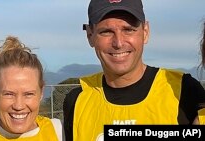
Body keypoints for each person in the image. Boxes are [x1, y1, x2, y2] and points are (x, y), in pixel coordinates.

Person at [63, 0, 205, 140]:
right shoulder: (76, 101)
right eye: (106, 32)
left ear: (145, 32)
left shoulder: (185, 91)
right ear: (90, 36)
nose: (118, 43)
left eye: (129, 30)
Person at [0, 36, 63, 141]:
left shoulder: (59, 132)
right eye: (9, 94)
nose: (18, 106)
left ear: (41, 93)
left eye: (29, 94)